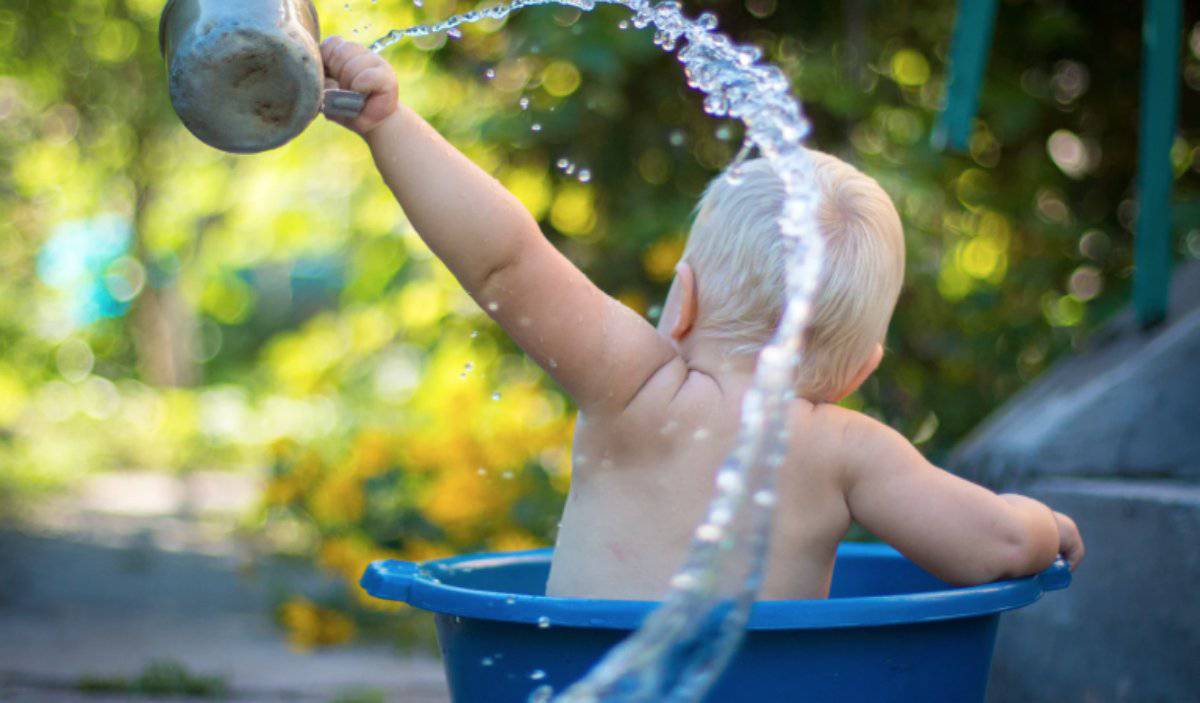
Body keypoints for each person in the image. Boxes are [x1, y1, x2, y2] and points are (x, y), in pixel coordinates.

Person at [320, 36, 1084, 600]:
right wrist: (1046, 524)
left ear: (679, 300)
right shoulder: (850, 451)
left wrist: (389, 122)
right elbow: (997, 545)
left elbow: (506, 261)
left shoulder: (636, 388)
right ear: (860, 370)